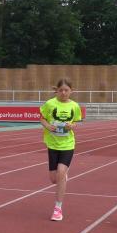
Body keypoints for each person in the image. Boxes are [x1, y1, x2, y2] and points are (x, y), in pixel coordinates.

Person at [40, 79, 83, 221]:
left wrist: (72, 126)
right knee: (54, 179)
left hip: (67, 145)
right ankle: (62, 175)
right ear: (57, 91)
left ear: (71, 91)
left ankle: (57, 208)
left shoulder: (74, 106)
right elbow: (42, 118)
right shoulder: (50, 104)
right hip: (52, 144)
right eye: (61, 90)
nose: (64, 93)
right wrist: (47, 126)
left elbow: (76, 121)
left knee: (61, 172)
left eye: (66, 90)